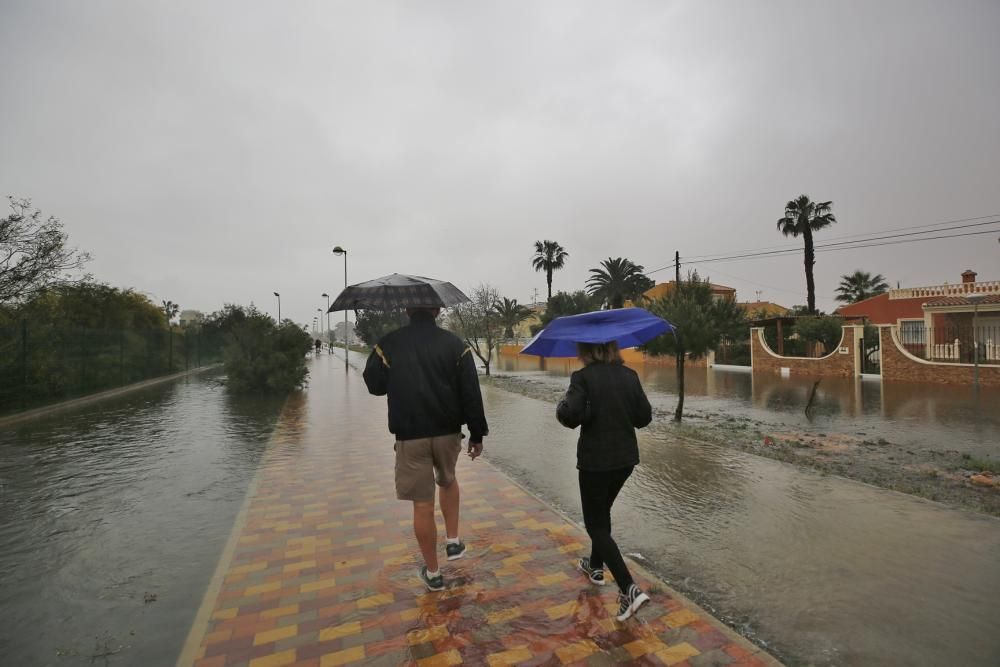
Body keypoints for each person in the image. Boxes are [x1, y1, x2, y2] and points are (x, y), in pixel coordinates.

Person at [363, 306, 488, 592]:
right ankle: (453, 541)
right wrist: (477, 434)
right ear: (437, 310)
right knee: (448, 479)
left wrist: (379, 352)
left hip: (410, 436)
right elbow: (471, 392)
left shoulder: (391, 343)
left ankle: (433, 573)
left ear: (406, 309)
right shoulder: (456, 345)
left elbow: (374, 385)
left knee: (422, 504)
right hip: (447, 433)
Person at [556, 340, 653, 621]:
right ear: (612, 348)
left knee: (595, 524)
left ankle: (629, 589)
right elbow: (643, 418)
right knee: (602, 513)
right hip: (625, 461)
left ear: (586, 351)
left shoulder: (582, 377)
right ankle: (595, 566)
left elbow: (569, 416)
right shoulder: (630, 375)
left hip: (595, 463)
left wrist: (566, 405)